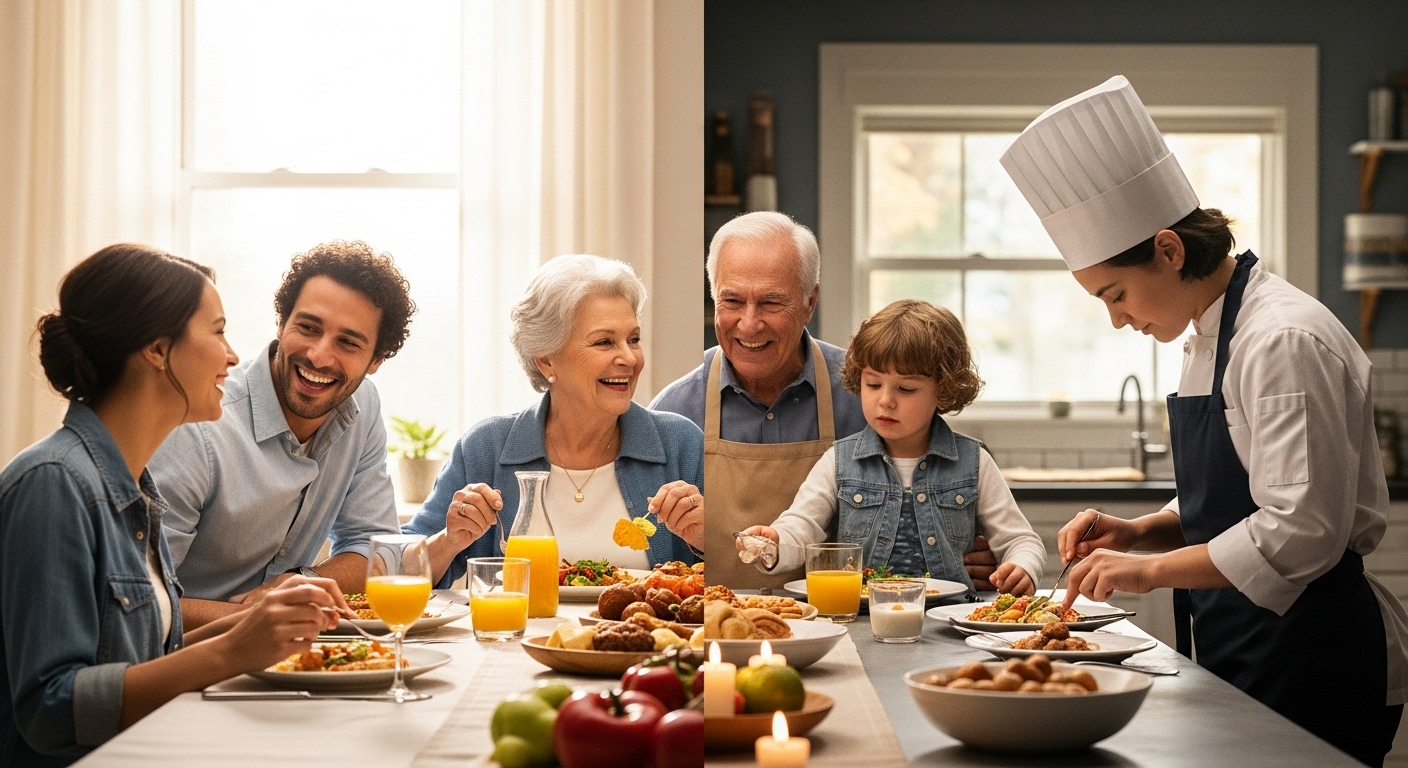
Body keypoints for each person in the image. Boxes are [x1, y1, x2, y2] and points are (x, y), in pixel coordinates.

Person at [1001, 75, 1406, 766]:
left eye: (1116, 293)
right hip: (1247, 644)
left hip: (1313, 657)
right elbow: (1238, 491)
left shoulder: (1281, 339)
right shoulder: (1206, 335)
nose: (1117, 318)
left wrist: (1147, 571)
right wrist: (1144, 528)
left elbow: (1300, 530)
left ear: (1168, 249)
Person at [0, 245, 349, 766]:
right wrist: (230, 650)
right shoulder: (54, 484)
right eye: (217, 331)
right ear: (158, 350)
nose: (233, 356)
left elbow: (148, 662)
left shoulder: (138, 488)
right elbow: (51, 710)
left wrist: (259, 620)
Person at [652, 211, 1002, 588]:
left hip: (847, 628)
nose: (750, 324)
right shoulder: (674, 411)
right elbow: (652, 557)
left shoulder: (866, 393)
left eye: (771, 303)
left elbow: (944, 483)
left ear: (809, 302)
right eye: (732, 300)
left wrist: (974, 552)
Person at [149, 240, 415, 628]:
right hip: (184, 664)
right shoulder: (197, 427)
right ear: (281, 323)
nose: (320, 356)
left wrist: (302, 584)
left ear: (375, 361)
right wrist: (258, 619)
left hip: (291, 653)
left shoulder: (363, 408)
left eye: (348, 342)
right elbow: (143, 602)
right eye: (308, 328)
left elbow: (373, 546)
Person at [404, 254, 703, 587]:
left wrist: (706, 539)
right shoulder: (485, 448)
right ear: (546, 361)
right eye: (604, 342)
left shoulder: (682, 443)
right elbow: (400, 570)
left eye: (633, 339)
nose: (629, 358)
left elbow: (738, 572)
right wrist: (449, 540)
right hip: (517, 638)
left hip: (644, 637)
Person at [736, 300, 1046, 593]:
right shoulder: (839, 461)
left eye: (906, 388)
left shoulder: (974, 462)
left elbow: (1020, 540)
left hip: (948, 623)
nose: (885, 400)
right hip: (860, 620)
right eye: (873, 384)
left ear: (944, 390)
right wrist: (773, 545)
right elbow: (801, 528)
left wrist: (1022, 567)